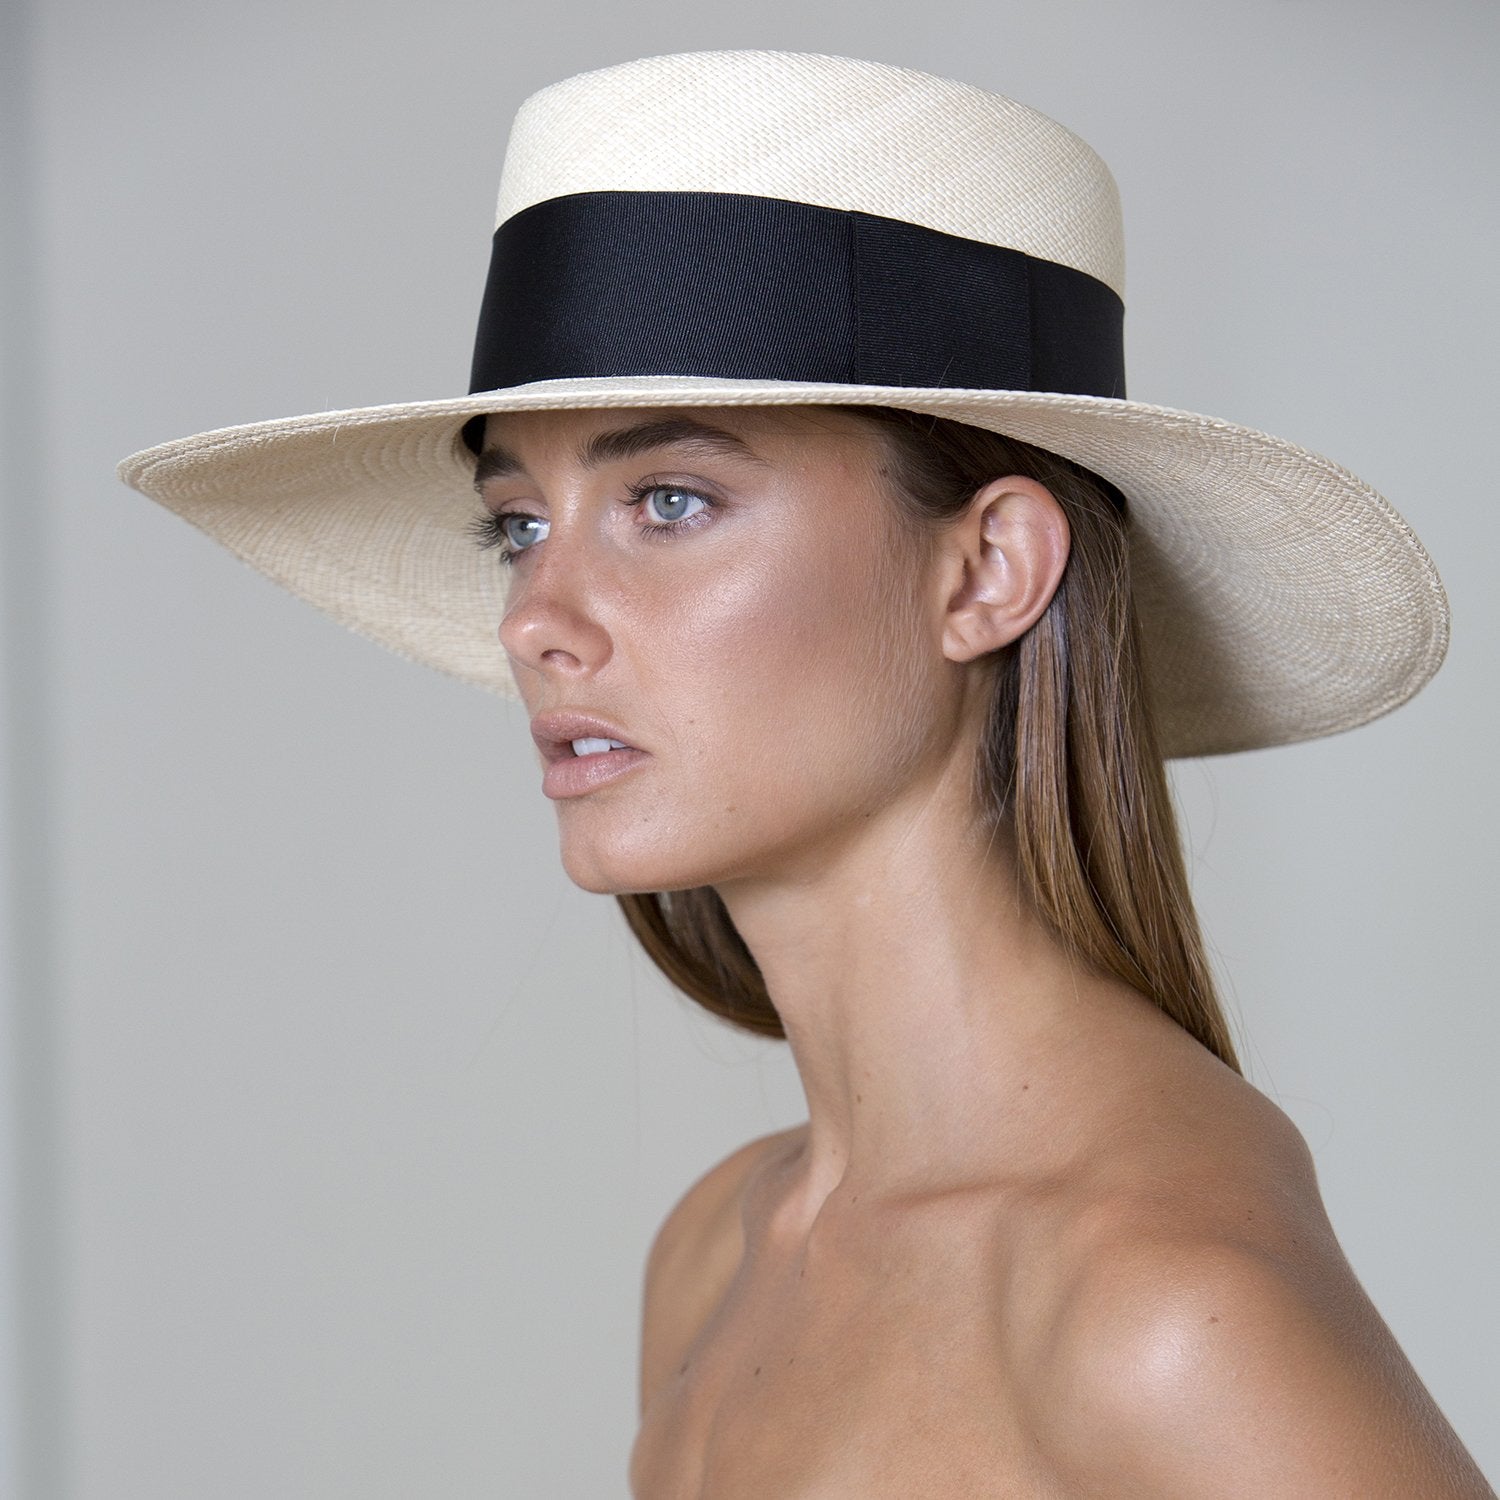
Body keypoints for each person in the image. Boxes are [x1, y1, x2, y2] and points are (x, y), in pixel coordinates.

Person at [119, 49, 1494, 1500]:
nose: (534, 620)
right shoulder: (718, 1251)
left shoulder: (1152, 1307)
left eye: (668, 500)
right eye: (518, 523)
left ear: (987, 570)